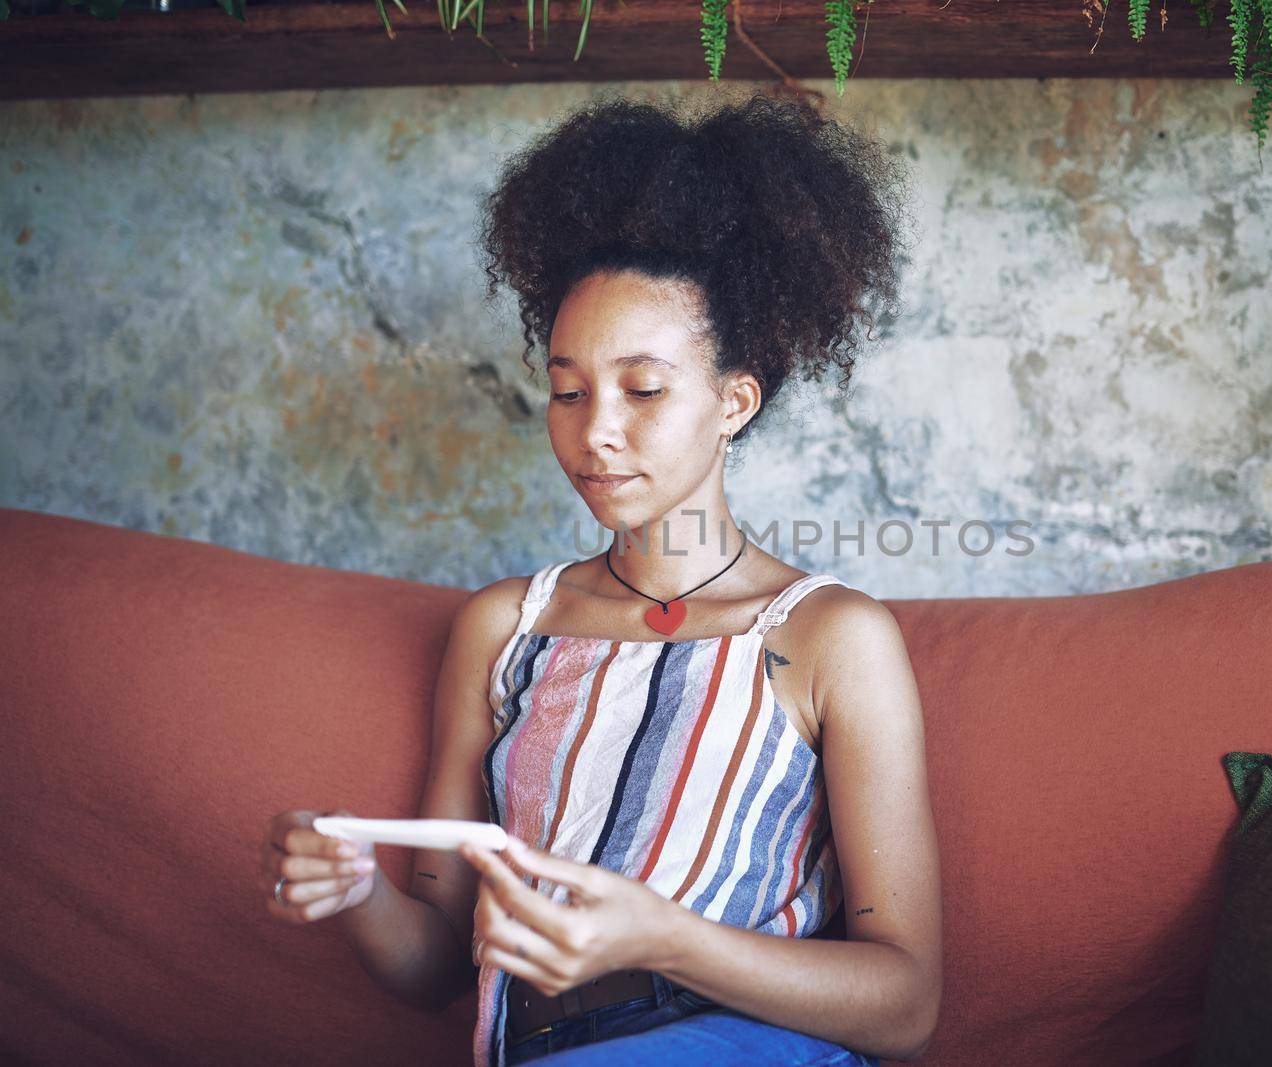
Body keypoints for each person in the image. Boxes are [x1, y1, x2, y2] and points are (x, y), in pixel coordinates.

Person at [258, 88, 941, 1066]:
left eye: (644, 389)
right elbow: (437, 967)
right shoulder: (505, 628)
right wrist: (354, 887)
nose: (595, 431)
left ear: (733, 400)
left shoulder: (830, 636)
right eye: (567, 390)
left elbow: (908, 1005)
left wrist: (662, 936)